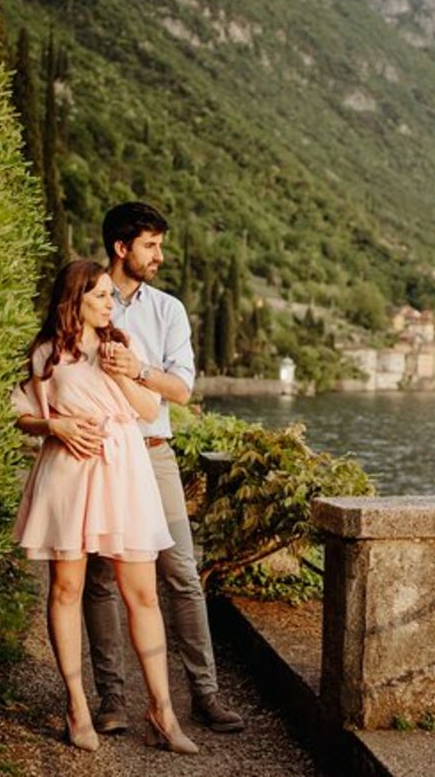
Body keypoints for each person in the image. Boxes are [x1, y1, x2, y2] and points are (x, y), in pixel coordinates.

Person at [12, 259, 199, 754]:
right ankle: (76, 705)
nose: (108, 304)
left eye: (108, 296)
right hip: (69, 473)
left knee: (141, 593)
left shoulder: (120, 347)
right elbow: (21, 414)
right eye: (98, 296)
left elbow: (146, 411)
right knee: (68, 587)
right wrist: (56, 427)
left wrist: (125, 374)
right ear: (73, 301)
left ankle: (162, 710)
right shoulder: (45, 353)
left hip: (123, 471)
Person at [84, 201, 247, 735]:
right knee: (101, 577)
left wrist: (140, 370)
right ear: (121, 248)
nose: (160, 255)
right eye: (151, 245)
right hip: (101, 453)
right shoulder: (85, 298)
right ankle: (112, 699)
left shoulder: (168, 310)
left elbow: (181, 388)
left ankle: (205, 695)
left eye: (161, 244)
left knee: (180, 570)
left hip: (153, 450)